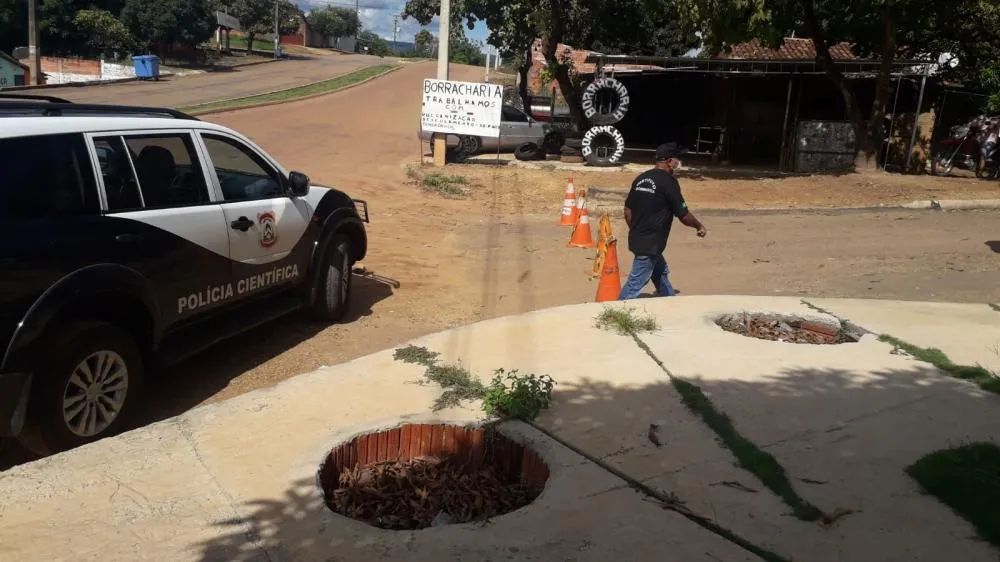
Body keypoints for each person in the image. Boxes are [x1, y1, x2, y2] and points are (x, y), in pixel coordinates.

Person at [619, 142, 707, 300]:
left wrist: (638, 230)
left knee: (660, 272)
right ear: (668, 161)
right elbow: (683, 215)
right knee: (635, 284)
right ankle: (612, 315)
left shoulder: (641, 178)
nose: (679, 162)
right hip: (651, 243)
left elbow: (627, 209)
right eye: (677, 158)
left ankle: (670, 302)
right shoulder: (669, 182)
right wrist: (698, 226)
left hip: (640, 239)